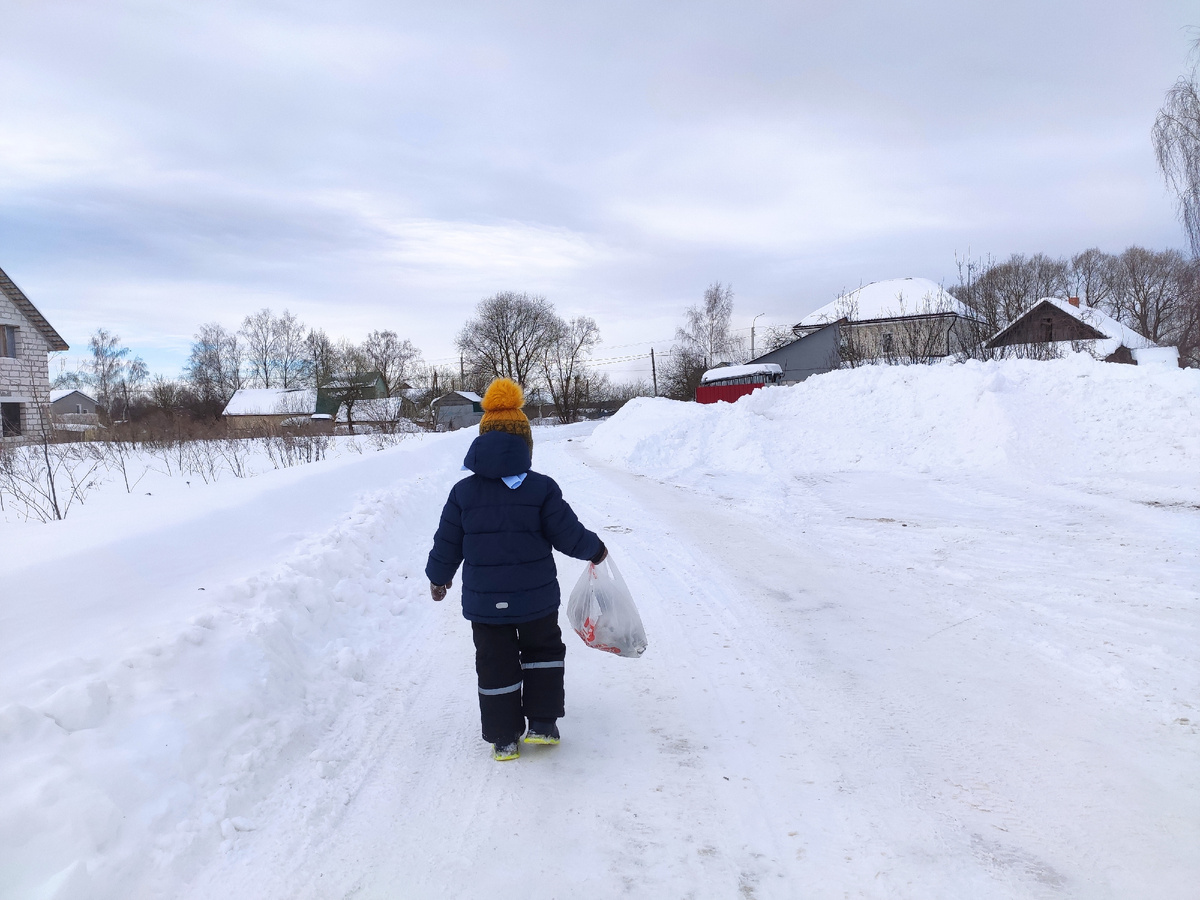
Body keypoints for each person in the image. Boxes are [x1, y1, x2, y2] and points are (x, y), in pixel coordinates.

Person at [426, 377, 607, 761]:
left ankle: (504, 737)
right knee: (542, 652)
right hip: (537, 599)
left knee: (494, 663)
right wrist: (595, 550)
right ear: (526, 444)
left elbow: (447, 543)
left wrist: (438, 577)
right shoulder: (541, 489)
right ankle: (542, 723)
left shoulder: (463, 493)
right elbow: (567, 533)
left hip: (486, 605)